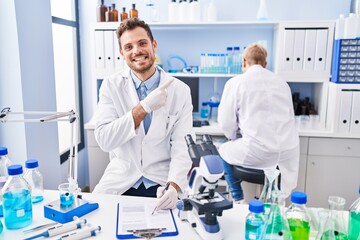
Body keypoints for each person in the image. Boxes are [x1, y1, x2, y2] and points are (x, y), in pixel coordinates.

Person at [93, 18, 193, 210]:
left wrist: (174, 185)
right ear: (122, 53)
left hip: (162, 181)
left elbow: (182, 145)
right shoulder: (111, 86)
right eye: (128, 47)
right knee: (98, 220)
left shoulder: (180, 90)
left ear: (153, 45)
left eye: (142, 43)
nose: (136, 51)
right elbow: (105, 140)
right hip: (121, 180)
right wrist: (144, 107)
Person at [217, 43, 299, 202]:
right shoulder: (282, 82)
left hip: (259, 153)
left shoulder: (236, 82)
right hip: (288, 152)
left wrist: (233, 137)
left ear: (243, 62)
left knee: (223, 150)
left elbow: (226, 123)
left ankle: (237, 197)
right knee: (275, 190)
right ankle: (272, 200)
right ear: (265, 64)